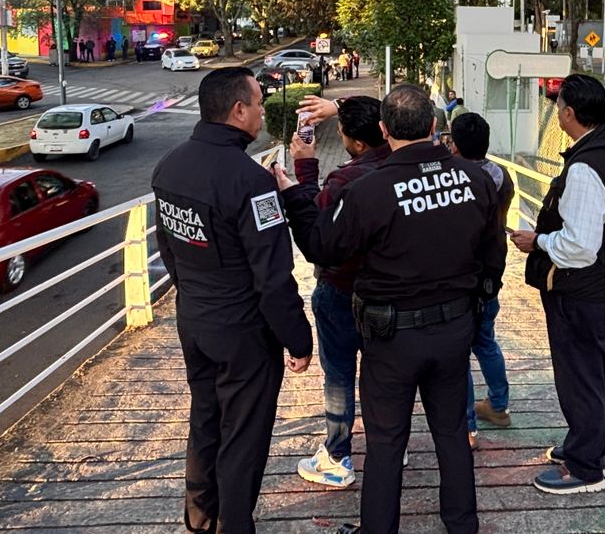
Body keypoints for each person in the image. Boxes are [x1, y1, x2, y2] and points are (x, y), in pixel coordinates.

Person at [286, 85, 504, 534]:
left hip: (391, 338)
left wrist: (296, 192)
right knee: (450, 436)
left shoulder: (370, 190)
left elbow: (322, 248)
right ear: (433, 126)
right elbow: (493, 258)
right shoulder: (477, 178)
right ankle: (462, 525)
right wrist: (476, 307)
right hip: (453, 329)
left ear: (385, 130)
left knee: (386, 443)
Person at [152, 67, 314, 534]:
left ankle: (200, 518)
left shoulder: (170, 165)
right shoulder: (251, 183)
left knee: (205, 419)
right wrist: (298, 340)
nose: (263, 110)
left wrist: (193, 297)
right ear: (239, 110)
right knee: (243, 436)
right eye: (259, 102)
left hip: (194, 318)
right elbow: (272, 277)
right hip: (242, 330)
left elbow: (169, 250)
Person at [509, 73, 605, 495]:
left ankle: (585, 470)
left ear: (570, 113)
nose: (556, 112)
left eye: (558, 107)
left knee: (580, 376)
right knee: (593, 372)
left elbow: (580, 246)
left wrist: (535, 240)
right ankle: (589, 447)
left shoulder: (585, 168)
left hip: (581, 289)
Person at [278, 96, 392, 488]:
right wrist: (338, 107)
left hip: (341, 289)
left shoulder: (344, 180)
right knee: (382, 372)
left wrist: (304, 170)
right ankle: (388, 444)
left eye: (341, 132)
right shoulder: (401, 166)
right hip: (389, 291)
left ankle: (338, 456)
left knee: (340, 375)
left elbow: (318, 233)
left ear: (356, 144)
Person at [447, 113, 514, 442]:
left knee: (459, 352)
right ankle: (499, 406)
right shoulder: (502, 176)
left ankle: (468, 426)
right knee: (485, 342)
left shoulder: (455, 180)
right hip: (492, 274)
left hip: (460, 279)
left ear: (455, 144)